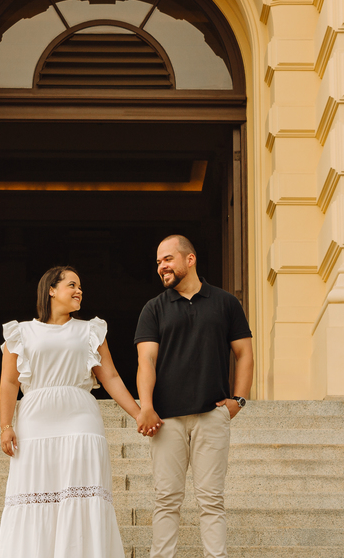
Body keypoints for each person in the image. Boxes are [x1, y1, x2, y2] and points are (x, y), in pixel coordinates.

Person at [0, 265, 142, 558]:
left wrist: (139, 413)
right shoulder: (21, 331)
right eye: (72, 285)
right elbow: (10, 381)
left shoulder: (91, 330)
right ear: (51, 289)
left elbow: (110, 377)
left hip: (81, 420)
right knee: (35, 499)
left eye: (81, 288)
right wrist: (5, 425)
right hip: (35, 423)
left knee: (82, 497)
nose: (79, 292)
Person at [133, 235, 254, 558]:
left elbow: (244, 353)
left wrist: (238, 400)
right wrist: (146, 405)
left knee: (211, 500)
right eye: (158, 262)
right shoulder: (154, 309)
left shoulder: (226, 303)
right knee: (166, 499)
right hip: (166, 420)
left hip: (211, 415)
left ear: (190, 259)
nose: (162, 267)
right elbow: (146, 361)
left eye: (168, 259)